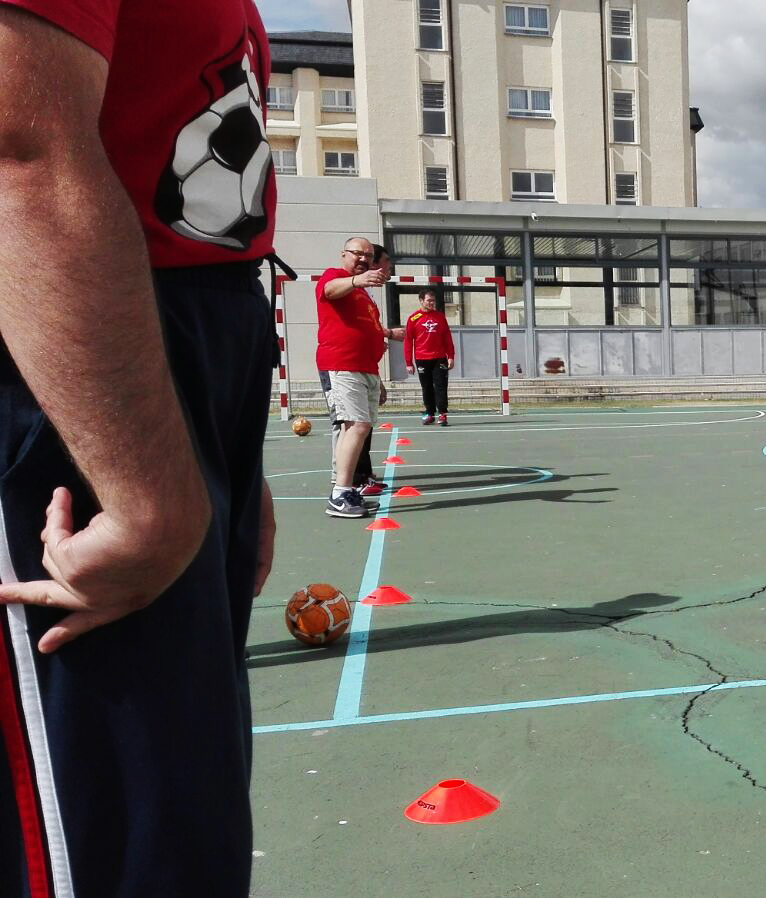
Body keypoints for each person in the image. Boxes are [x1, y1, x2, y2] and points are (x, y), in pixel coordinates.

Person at [0, 2, 276, 894]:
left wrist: (233, 465)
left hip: (174, 360)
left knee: (181, 817)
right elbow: (20, 147)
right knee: (115, 835)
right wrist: (152, 491)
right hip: (75, 361)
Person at [317, 237, 389, 518]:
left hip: (365, 368)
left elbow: (369, 333)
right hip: (342, 364)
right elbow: (330, 290)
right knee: (355, 425)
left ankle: (346, 490)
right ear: (344, 254)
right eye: (358, 253)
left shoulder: (365, 295)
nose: (363, 259)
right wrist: (357, 281)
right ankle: (339, 493)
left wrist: (378, 377)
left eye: (368, 255)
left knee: (360, 426)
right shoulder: (336, 276)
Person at [405, 289, 456, 426]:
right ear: (421, 301)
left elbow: (447, 338)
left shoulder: (440, 317)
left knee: (440, 386)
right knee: (426, 387)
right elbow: (408, 341)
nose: (432, 303)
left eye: (433, 300)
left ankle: (442, 414)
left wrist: (451, 356)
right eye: (429, 300)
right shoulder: (413, 318)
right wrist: (408, 362)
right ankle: (429, 413)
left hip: (439, 358)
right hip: (422, 358)